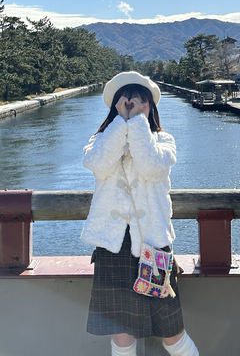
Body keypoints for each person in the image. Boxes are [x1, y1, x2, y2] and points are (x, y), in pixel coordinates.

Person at [81, 71, 199, 356]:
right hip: (113, 247)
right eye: (127, 102)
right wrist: (120, 125)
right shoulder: (101, 140)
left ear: (152, 107)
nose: (134, 107)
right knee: (122, 335)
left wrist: (135, 125)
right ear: (115, 107)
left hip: (153, 246)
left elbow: (149, 166)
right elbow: (98, 164)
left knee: (172, 333)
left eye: (141, 102)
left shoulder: (164, 141)